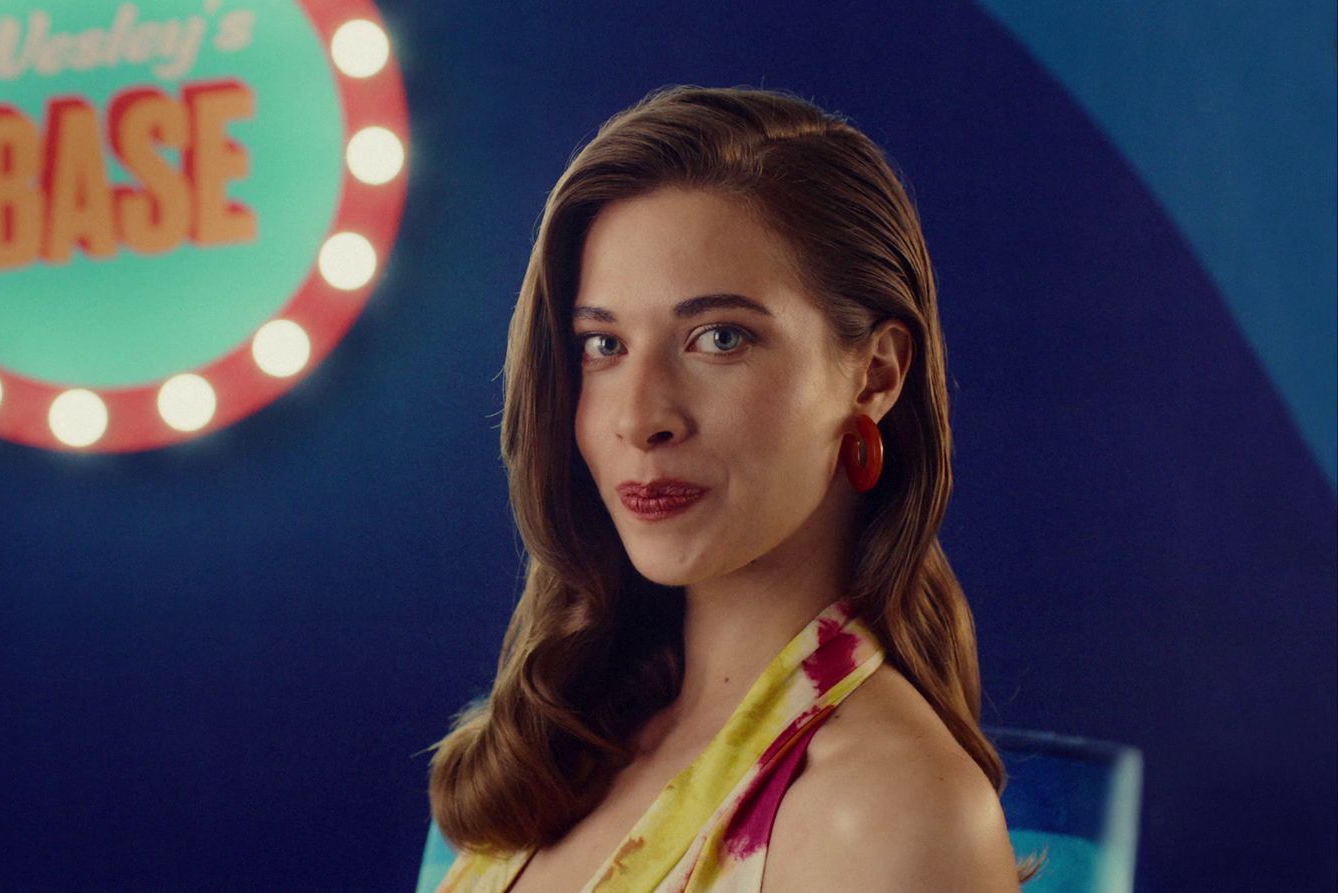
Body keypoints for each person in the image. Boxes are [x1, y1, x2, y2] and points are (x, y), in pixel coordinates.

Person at [426, 85, 1046, 892]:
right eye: (603, 343)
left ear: (876, 373)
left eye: (719, 337)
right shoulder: (546, 755)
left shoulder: (881, 806)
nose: (641, 416)